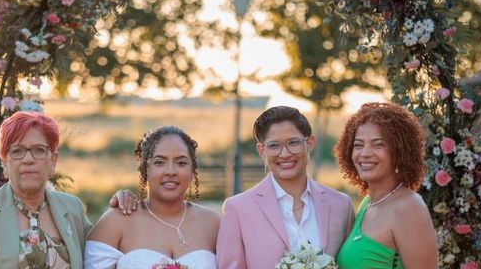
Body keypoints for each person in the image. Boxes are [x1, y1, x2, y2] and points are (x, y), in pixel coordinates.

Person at [0, 111, 92, 269]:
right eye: (17, 151)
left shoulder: (72, 208)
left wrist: (120, 204)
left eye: (39, 150)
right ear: (5, 164)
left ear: (53, 162)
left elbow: (106, 252)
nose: (28, 159)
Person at [216, 106, 355, 268]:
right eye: (274, 145)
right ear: (262, 150)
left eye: (294, 142)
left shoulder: (341, 205)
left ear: (309, 143)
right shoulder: (238, 208)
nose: (285, 154)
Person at [84, 125, 220, 269]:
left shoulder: (214, 223)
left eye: (181, 163)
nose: (170, 171)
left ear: (192, 170)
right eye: (159, 162)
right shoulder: (115, 222)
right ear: (144, 169)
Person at [334, 102, 438, 268]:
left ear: (399, 151)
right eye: (358, 145)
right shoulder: (367, 204)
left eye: (378, 144)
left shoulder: (409, 207)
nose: (365, 153)